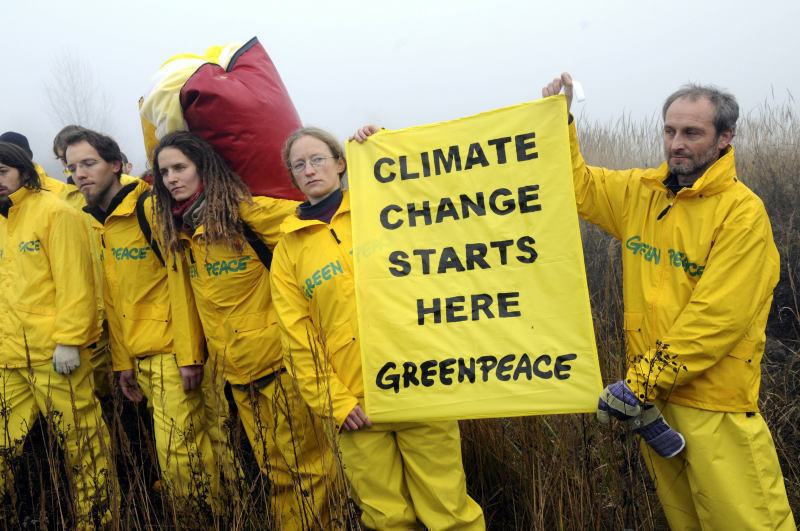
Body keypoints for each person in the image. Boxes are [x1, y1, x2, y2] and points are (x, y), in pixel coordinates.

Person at [542, 72, 795, 529]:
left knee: (749, 522)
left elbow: (715, 320)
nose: (677, 143)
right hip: (654, 407)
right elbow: (577, 187)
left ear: (724, 139)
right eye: (670, 130)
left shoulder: (741, 214)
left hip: (713, 406)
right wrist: (557, 122)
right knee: (687, 522)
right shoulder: (642, 193)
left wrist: (640, 383)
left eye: (692, 133)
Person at [270, 127, 485, 530]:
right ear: (293, 177)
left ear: (340, 163)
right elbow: (297, 338)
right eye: (299, 165)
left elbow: (427, 190)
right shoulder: (289, 249)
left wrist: (385, 143)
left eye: (318, 159)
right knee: (386, 519)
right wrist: (335, 403)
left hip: (421, 385)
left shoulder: (381, 208)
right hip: (355, 406)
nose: (309, 169)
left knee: (449, 512)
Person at [150, 130, 336, 529]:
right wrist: (191, 358)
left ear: (204, 167)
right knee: (276, 473)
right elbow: (189, 301)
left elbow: (323, 213)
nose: (171, 179)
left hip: (282, 366)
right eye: (164, 172)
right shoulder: (181, 231)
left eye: (180, 167)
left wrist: (373, 150)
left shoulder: (247, 214)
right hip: (237, 375)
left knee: (312, 469)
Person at [63, 128, 230, 509]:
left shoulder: (149, 210)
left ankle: (204, 518)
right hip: (143, 357)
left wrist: (188, 354)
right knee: (193, 445)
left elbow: (181, 282)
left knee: (181, 452)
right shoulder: (100, 222)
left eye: (89, 163)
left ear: (116, 165)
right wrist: (123, 363)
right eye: (72, 167)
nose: (80, 174)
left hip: (175, 352)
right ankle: (228, 511)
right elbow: (118, 299)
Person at [0, 141, 118, 528]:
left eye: (3, 172)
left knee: (82, 443)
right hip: (8, 357)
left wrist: (70, 339)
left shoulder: (55, 213)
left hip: (55, 355)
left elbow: (77, 284)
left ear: (23, 171)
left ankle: (97, 521)